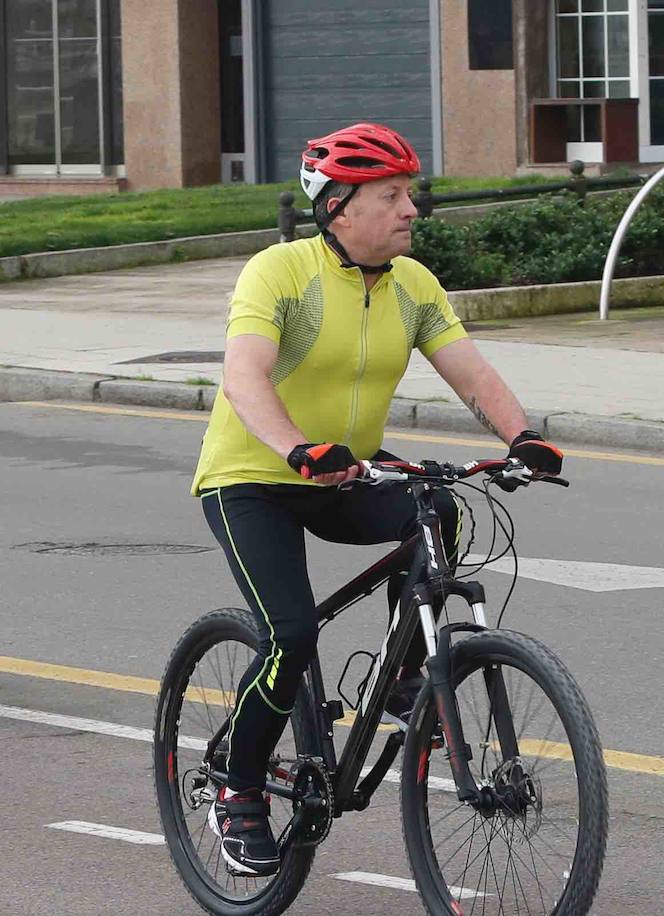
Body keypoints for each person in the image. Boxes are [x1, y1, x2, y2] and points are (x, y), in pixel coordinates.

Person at [190, 122, 564, 877]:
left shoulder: (413, 285)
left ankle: (403, 681)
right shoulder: (279, 272)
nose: (410, 209)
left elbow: (471, 374)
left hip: (346, 471)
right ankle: (237, 788)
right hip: (253, 477)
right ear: (337, 207)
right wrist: (296, 447)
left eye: (409, 194)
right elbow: (244, 376)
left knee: (440, 509)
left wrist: (523, 436)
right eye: (391, 196)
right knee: (290, 636)